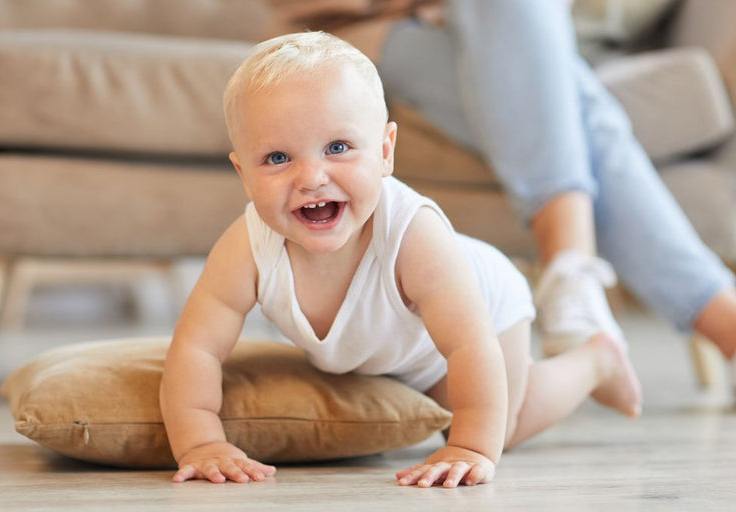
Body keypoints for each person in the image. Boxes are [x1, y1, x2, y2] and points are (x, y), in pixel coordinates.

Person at [287, 0, 736, 414]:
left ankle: (571, 271)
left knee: (556, 89)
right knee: (576, 110)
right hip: (395, 31)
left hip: (546, 41)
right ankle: (732, 329)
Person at [159, 31, 643, 488]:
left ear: (386, 152)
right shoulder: (247, 246)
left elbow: (469, 347)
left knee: (503, 428)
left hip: (483, 317)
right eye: (278, 158)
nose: (311, 177)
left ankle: (595, 359)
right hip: (386, 347)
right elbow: (197, 349)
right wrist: (200, 443)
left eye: (338, 147)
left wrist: (471, 448)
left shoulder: (414, 236)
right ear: (244, 174)